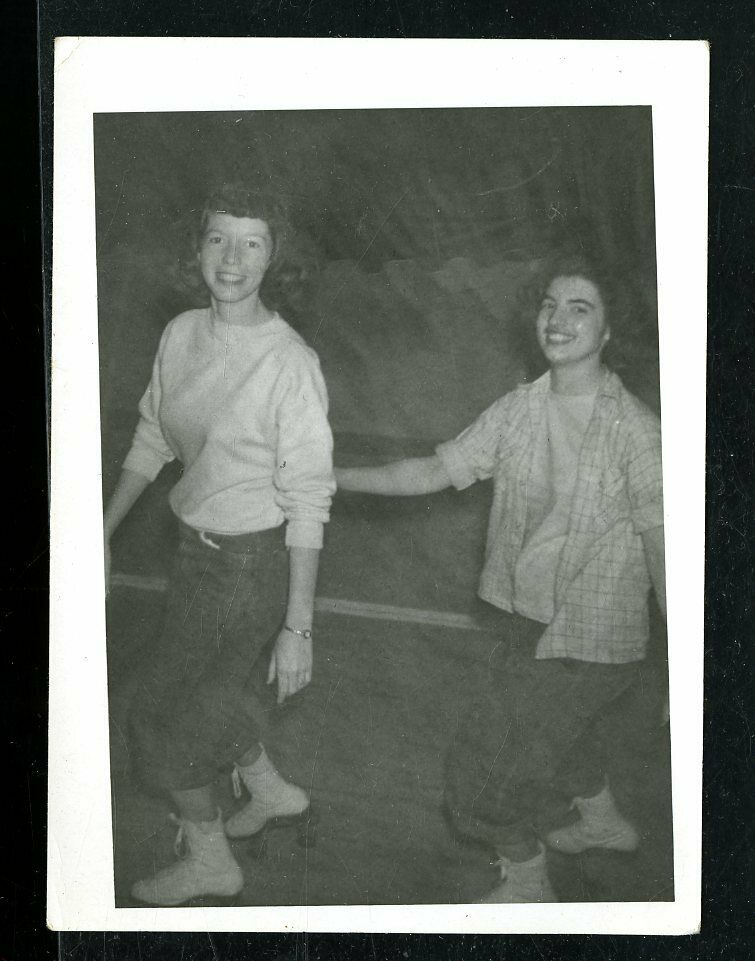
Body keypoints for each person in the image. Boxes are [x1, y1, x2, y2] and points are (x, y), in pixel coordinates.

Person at [335, 253, 666, 903]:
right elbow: (432, 470)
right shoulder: (519, 408)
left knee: (480, 783)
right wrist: (333, 478)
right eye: (548, 303)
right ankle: (601, 822)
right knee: (556, 737)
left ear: (609, 330)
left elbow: (665, 554)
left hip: (592, 636)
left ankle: (526, 879)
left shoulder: (636, 434)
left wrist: (683, 670)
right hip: (526, 616)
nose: (557, 318)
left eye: (579, 307)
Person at [103, 183, 335, 906]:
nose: (232, 258)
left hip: (249, 566)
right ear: (196, 248)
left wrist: (297, 626)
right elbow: (152, 436)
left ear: (275, 259)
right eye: (217, 238)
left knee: (158, 719)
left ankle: (211, 860)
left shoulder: (289, 362)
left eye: (253, 241)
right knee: (206, 695)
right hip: (195, 554)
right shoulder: (180, 333)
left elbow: (308, 499)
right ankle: (270, 790)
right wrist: (99, 535)